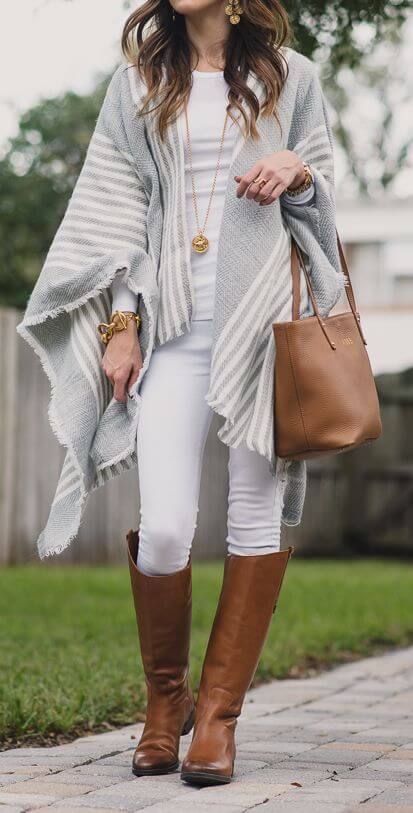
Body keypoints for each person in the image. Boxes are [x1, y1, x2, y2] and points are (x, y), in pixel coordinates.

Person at [17, 0, 345, 787]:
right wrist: (120, 323)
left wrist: (295, 168)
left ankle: (218, 722)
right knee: (163, 527)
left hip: (262, 323)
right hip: (170, 326)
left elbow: (324, 181)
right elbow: (118, 208)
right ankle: (166, 705)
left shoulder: (288, 76)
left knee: (252, 515)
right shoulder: (137, 83)